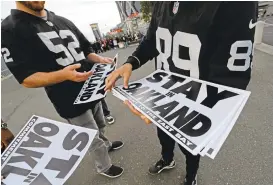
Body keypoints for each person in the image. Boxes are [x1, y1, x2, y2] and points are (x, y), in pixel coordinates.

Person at [105, 2, 257, 185]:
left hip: (196, 97)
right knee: (163, 134)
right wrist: (131, 62)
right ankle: (167, 159)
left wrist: (208, 109)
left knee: (190, 147)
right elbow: (152, 39)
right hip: (163, 92)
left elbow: (233, 72)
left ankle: (191, 176)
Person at [1, 1, 124, 178]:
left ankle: (106, 146)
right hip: (67, 96)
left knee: (100, 124)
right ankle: (103, 166)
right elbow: (25, 78)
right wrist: (62, 75)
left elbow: (85, 49)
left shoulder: (61, 19)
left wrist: (98, 59)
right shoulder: (9, 29)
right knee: (90, 135)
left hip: (91, 86)